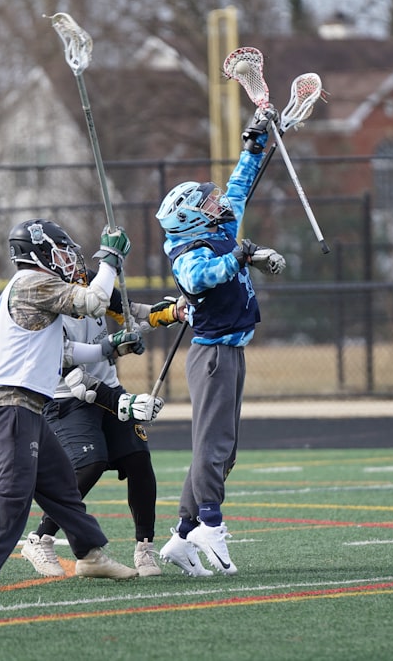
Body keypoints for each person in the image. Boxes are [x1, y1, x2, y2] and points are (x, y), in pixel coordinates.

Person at [0, 219, 153, 591]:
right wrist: (108, 259)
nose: (69, 257)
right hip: (8, 401)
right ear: (38, 252)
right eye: (61, 249)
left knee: (61, 484)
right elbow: (92, 301)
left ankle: (90, 555)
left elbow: (59, 353)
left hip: (25, 403)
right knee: (14, 485)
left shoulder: (32, 289)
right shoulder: (35, 282)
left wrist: (109, 348)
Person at [153, 109, 287, 577]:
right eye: (207, 206)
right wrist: (244, 255)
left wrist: (255, 142)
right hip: (211, 356)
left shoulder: (217, 230)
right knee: (212, 447)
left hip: (231, 350)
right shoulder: (189, 252)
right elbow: (204, 276)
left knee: (223, 451)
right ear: (192, 219)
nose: (218, 206)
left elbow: (238, 188)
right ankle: (210, 523)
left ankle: (183, 533)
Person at [20, 281, 185, 579]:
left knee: (138, 459)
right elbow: (78, 380)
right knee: (89, 463)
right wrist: (128, 403)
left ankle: (144, 547)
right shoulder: (45, 306)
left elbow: (134, 315)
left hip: (107, 389)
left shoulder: (92, 283)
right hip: (65, 398)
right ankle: (40, 538)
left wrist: (176, 312)